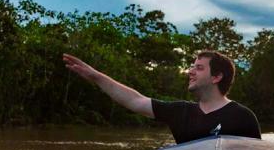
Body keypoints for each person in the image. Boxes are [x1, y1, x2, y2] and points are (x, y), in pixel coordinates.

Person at [62, 50, 261, 143]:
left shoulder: (243, 117)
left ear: (217, 77)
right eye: (192, 67)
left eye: (199, 68)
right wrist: (95, 76)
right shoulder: (179, 112)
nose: (190, 72)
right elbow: (135, 100)